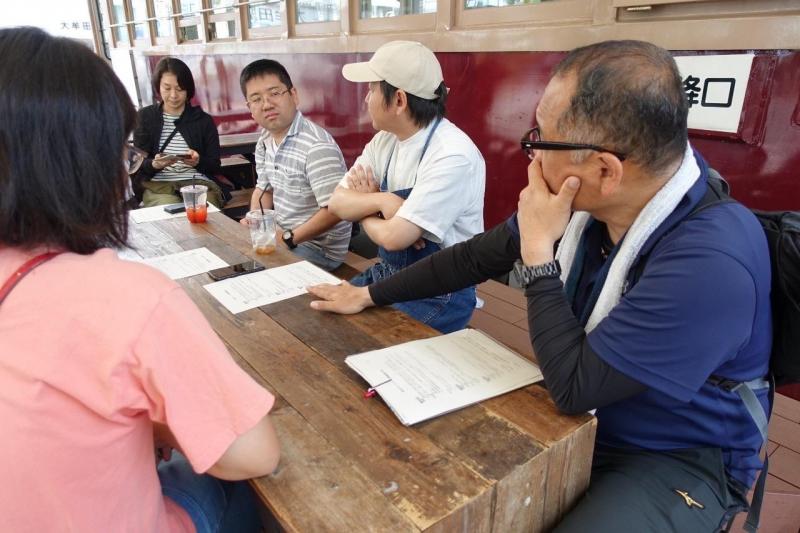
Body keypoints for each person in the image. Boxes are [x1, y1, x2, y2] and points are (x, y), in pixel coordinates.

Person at [308, 40, 772, 532]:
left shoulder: (708, 263)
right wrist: (370, 293)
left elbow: (574, 387)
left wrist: (537, 255)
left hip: (673, 453)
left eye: (541, 141)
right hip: (589, 410)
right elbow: (471, 257)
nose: (529, 156)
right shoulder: (589, 204)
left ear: (604, 171)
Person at [0, 28, 279, 533]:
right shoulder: (130, 297)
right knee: (249, 490)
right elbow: (255, 452)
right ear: (79, 163)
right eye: (122, 151)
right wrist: (155, 421)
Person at [326, 41, 486, 333]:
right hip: (388, 274)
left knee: (360, 339)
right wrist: (384, 201)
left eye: (372, 89)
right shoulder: (385, 140)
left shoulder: (452, 154)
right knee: (326, 316)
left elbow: (395, 238)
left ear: (398, 100)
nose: (366, 99)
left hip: (439, 292)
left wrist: (365, 207)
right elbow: (336, 203)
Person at [240, 59, 351, 271]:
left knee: (253, 272)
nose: (266, 104)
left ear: (294, 95)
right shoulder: (264, 141)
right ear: (250, 108)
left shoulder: (316, 145)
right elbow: (264, 189)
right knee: (234, 253)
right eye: (256, 99)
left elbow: (336, 210)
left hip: (318, 249)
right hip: (282, 234)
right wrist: (254, 221)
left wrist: (289, 238)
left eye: (274, 93)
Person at [133, 57, 226, 208]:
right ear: (158, 86)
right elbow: (137, 164)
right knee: (168, 208)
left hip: (199, 183)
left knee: (205, 209)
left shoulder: (203, 120)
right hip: (159, 186)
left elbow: (215, 165)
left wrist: (198, 161)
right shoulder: (145, 117)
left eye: (180, 89)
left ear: (188, 89)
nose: (173, 95)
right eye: (167, 88)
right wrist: (154, 164)